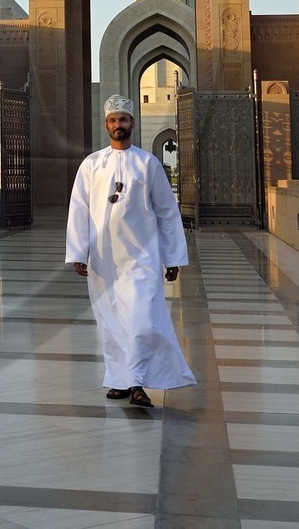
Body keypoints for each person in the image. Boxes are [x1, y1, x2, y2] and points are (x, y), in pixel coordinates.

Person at [66, 94, 195, 408]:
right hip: (104, 259)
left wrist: (172, 257)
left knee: (141, 320)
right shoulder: (91, 164)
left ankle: (137, 383)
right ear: (106, 125)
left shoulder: (147, 163)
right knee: (111, 321)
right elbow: (79, 209)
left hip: (142, 257)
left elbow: (166, 211)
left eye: (122, 120)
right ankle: (121, 380)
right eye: (112, 120)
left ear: (132, 122)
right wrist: (78, 252)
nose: (118, 125)